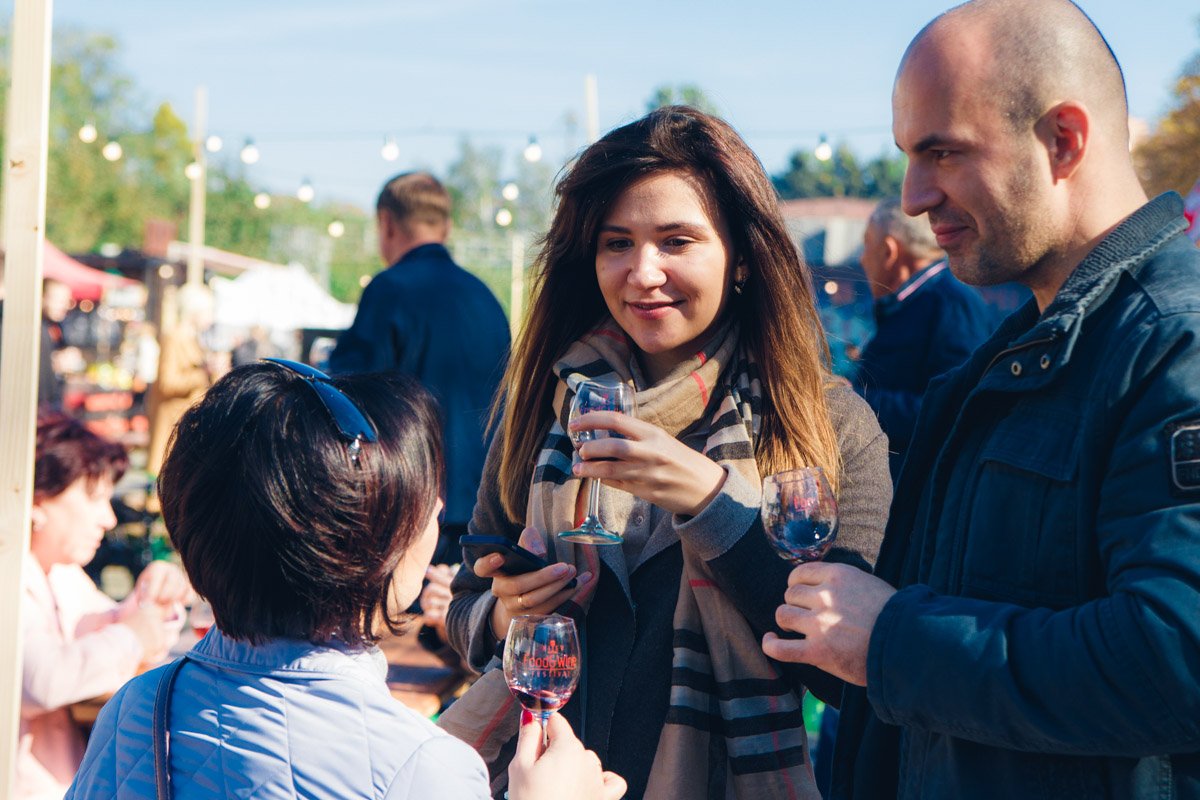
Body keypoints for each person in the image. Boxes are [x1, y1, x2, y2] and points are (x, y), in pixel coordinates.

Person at [762, 2, 1200, 798]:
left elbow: (1178, 656)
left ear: (1063, 140)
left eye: (942, 152)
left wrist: (892, 641)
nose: (913, 196)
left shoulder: (1176, 344)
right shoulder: (1016, 357)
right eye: (909, 156)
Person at [444, 106, 891, 800]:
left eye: (677, 241)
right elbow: (467, 608)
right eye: (617, 243)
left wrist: (712, 504)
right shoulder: (549, 404)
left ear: (743, 258)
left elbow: (845, 675)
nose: (643, 272)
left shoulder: (829, 424)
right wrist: (507, 614)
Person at [66, 362, 625, 800]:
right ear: (367, 548)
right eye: (421, 501)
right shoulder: (425, 767)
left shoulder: (141, 707)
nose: (437, 511)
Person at [330, 171, 511, 566]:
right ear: (446, 227)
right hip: (488, 511)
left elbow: (346, 400)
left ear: (387, 224)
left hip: (414, 512)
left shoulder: (389, 290)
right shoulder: (485, 298)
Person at [20, 413, 188, 800]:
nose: (108, 518)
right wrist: (133, 635)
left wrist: (154, 595)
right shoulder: (12, 574)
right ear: (38, 500)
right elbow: (41, 679)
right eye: (94, 498)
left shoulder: (59, 573)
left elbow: (106, 624)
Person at [852, 197, 995, 478]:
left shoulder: (952, 304)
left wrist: (856, 400)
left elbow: (955, 409)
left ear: (889, 251)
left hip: (922, 489)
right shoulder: (915, 303)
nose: (862, 258)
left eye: (867, 244)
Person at [147, 284, 214, 476]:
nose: (211, 317)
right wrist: (202, 374)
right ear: (194, 311)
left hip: (186, 421)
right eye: (208, 311)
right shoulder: (174, 337)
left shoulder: (194, 339)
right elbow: (166, 383)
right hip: (172, 422)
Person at [39, 279, 78, 412]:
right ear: (41, 298)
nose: (65, 306)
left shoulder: (56, 326)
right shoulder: (35, 328)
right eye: (58, 300)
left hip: (51, 405)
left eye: (66, 301)